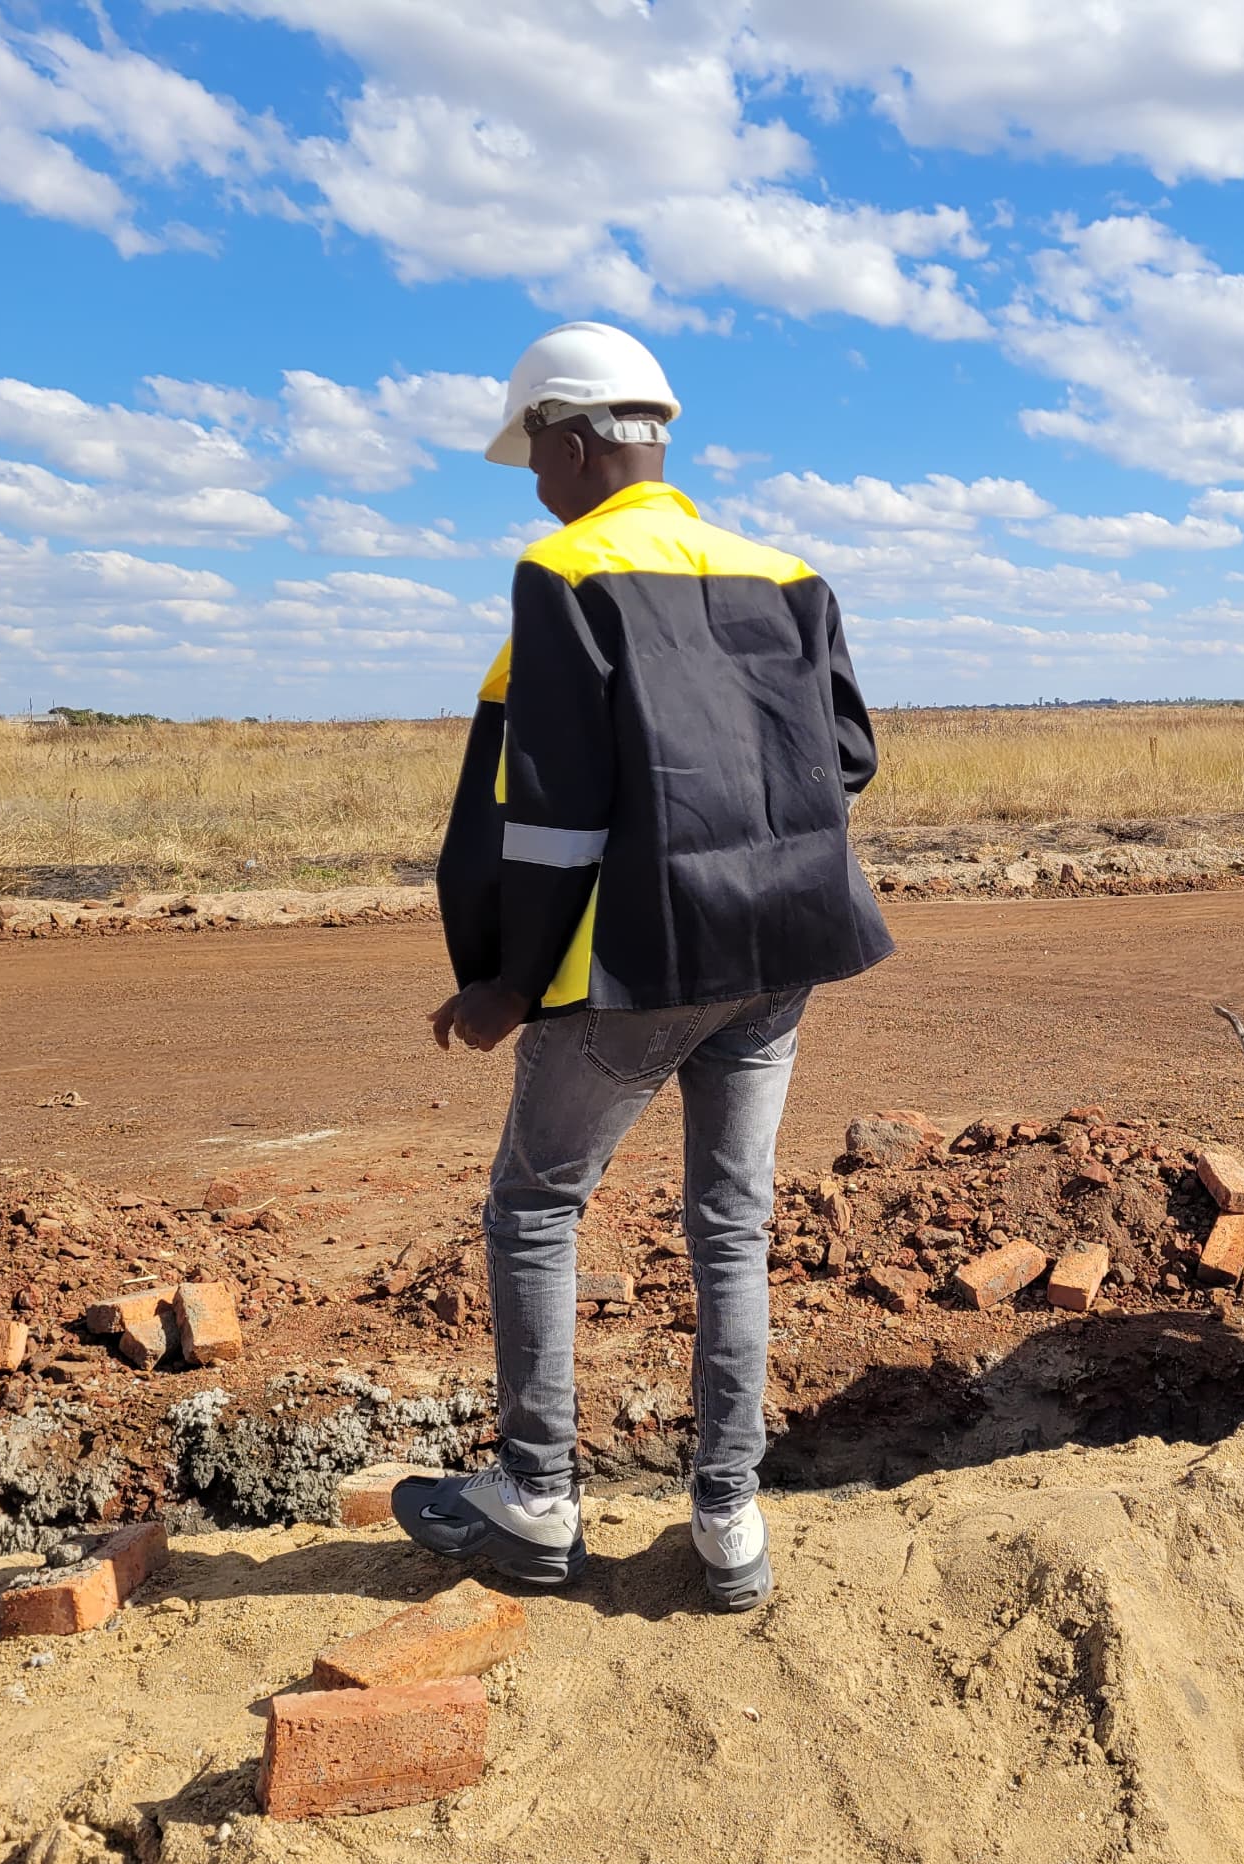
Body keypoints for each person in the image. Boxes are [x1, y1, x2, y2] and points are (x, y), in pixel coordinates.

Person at [403, 320, 894, 1605]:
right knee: (733, 1222)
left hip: (640, 960)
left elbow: (554, 818)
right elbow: (845, 758)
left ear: (573, 441)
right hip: (780, 948)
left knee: (534, 1206)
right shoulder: (784, 573)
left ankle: (535, 1503)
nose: (533, 482)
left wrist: (509, 983)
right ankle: (730, 1522)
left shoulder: (564, 573)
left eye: (533, 457)